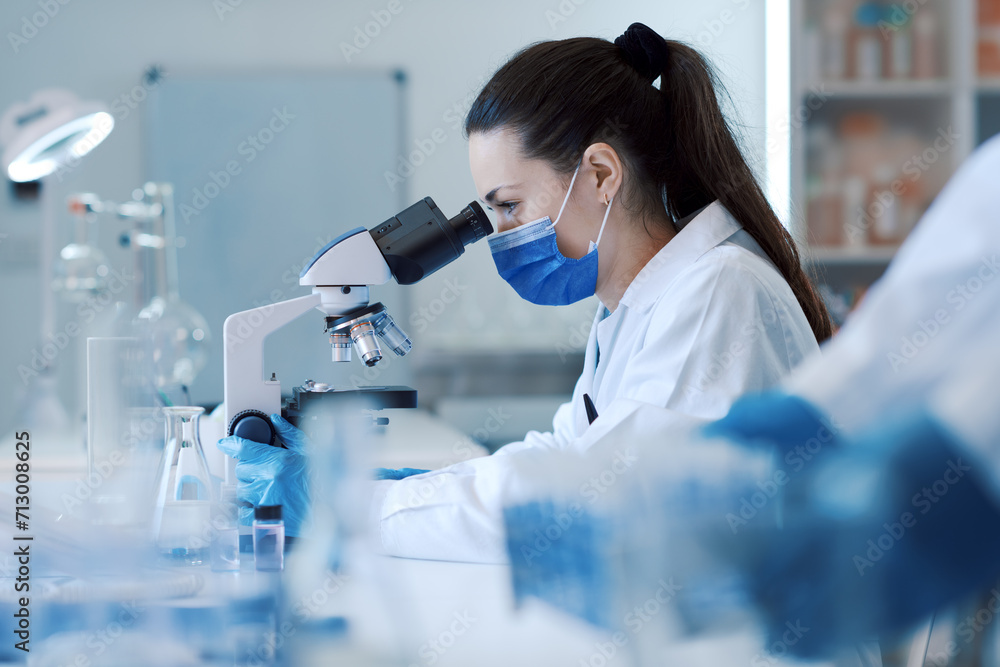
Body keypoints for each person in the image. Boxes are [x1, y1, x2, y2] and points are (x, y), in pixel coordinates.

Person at [218, 23, 830, 561]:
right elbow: (563, 456)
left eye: (508, 206)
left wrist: (352, 507)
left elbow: (589, 502)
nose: (498, 234)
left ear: (599, 174)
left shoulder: (718, 295)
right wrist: (399, 494)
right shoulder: (635, 305)